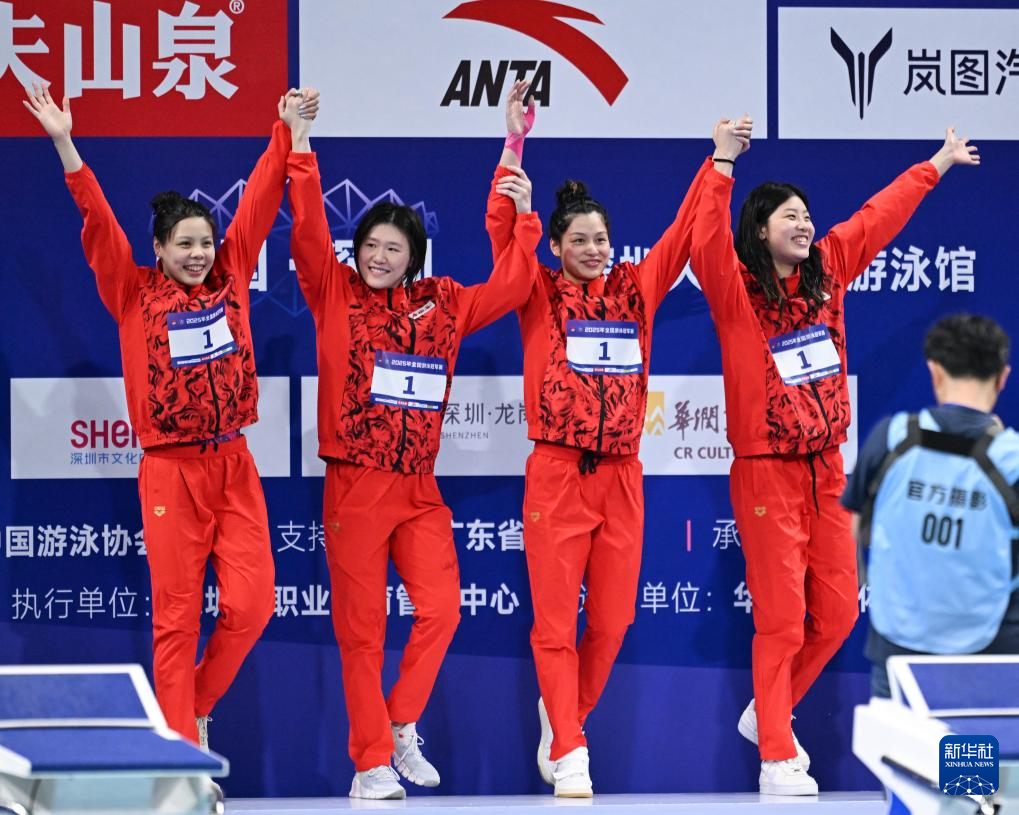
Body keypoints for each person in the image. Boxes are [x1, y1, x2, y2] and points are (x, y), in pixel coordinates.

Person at [22, 82, 318, 749]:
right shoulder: (132, 293)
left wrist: (284, 128)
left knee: (253, 604)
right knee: (176, 620)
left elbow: (260, 201)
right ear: (158, 248)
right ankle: (182, 758)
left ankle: (193, 706)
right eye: (184, 243)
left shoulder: (231, 276)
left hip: (233, 464)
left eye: (205, 241)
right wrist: (66, 145)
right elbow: (99, 225)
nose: (199, 253)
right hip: (170, 472)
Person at [690, 116, 980, 795]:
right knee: (781, 621)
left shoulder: (827, 272)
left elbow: (877, 217)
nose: (804, 224)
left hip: (827, 471)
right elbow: (704, 242)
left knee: (842, 612)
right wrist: (722, 164)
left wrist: (935, 163)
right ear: (760, 230)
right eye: (789, 217)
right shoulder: (737, 292)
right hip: (766, 469)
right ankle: (775, 755)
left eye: (806, 215)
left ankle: (769, 710)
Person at [286, 96, 541, 800]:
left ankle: (399, 722)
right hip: (356, 484)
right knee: (362, 632)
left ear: (413, 258)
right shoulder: (332, 291)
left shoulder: (444, 303)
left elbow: (515, 283)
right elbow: (307, 229)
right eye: (370, 244)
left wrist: (516, 173)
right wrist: (300, 144)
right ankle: (369, 764)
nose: (378, 256)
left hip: (419, 486)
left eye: (393, 248)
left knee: (442, 609)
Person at [487, 80, 722, 797]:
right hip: (557, 472)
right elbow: (504, 233)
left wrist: (718, 162)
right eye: (578, 241)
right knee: (555, 624)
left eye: (600, 239)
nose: (592, 250)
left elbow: (683, 231)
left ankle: (565, 716)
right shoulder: (537, 292)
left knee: (613, 622)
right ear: (557, 246)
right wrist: (514, 144)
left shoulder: (635, 291)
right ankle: (569, 747)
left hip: (621, 474)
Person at [843, 313, 1019, 698]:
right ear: (1002, 377)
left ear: (934, 370)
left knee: (895, 740)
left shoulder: (891, 438)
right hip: (992, 658)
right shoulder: (1013, 459)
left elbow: (853, 532)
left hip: (897, 652)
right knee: (979, 741)